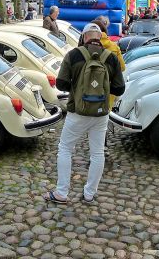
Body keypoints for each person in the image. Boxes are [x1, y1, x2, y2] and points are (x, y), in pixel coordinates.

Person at [43, 23, 125, 204]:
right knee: (97, 153)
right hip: (101, 113)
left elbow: (61, 84)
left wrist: (79, 83)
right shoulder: (111, 57)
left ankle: (61, 193)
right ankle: (89, 194)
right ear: (99, 36)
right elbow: (119, 88)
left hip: (77, 112)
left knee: (65, 149)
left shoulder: (74, 55)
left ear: (84, 37)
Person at [92, 17, 125, 109]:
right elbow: (122, 67)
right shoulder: (114, 46)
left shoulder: (85, 46)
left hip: (89, 90)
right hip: (108, 89)